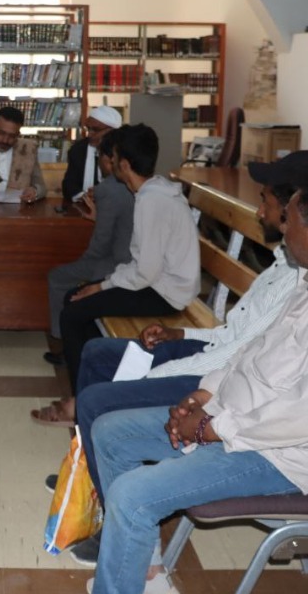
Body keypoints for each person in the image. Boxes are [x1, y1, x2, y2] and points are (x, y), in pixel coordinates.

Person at [86, 170, 308, 594]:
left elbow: (303, 419)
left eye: (290, 220)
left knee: (131, 495)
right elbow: (253, 352)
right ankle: (142, 570)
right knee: (109, 432)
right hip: (236, 422)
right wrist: (204, 395)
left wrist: (209, 430)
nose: (282, 229)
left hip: (279, 456)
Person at [60, 151, 308, 566]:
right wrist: (180, 334)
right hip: (213, 353)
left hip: (219, 376)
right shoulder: (282, 264)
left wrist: (172, 371)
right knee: (97, 354)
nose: (259, 211)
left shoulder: (301, 283)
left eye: (265, 200)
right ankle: (90, 482)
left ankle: (116, 526)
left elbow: (242, 358)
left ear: (293, 208)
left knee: (97, 402)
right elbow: (233, 335)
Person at [57, 124, 199, 390]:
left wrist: (102, 285)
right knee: (76, 298)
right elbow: (143, 265)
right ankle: (99, 379)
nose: (109, 163)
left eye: (112, 158)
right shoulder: (154, 190)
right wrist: (104, 285)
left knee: (73, 312)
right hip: (160, 284)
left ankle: (83, 395)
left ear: (123, 165)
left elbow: (145, 273)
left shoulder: (151, 201)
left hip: (165, 294)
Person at [40, 129, 134, 371]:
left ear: (109, 159)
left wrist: (81, 264)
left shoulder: (107, 188)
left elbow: (100, 245)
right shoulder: (136, 182)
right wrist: (98, 218)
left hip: (117, 263)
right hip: (131, 259)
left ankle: (64, 342)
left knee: (58, 277)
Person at [61, 105, 122, 202]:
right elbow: (69, 186)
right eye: (88, 129)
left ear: (112, 131)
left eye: (95, 130)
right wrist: (84, 196)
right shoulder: (78, 150)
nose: (89, 134)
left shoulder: (124, 151)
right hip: (83, 205)